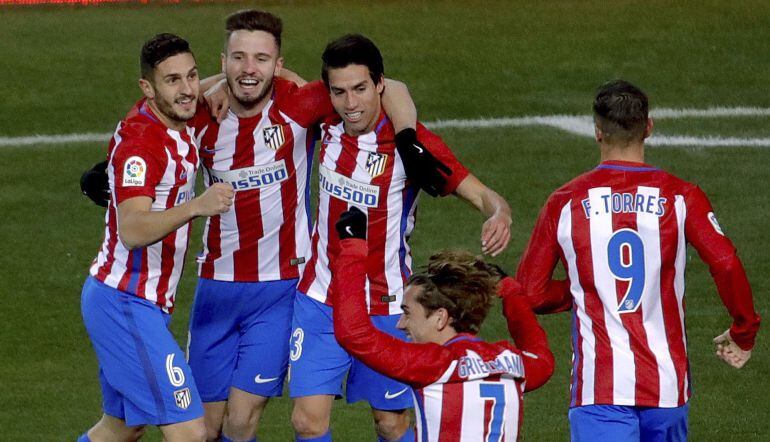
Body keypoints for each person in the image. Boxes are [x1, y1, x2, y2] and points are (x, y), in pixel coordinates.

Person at [289, 34, 513, 442]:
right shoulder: (325, 117)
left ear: (379, 85)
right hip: (321, 296)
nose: (350, 103)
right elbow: (270, 77)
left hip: (388, 304)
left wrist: (498, 213)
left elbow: (480, 192)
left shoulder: (411, 145)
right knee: (307, 420)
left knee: (391, 423)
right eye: (339, 92)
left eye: (360, 89)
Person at [515, 80, 761, 441]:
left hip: (599, 390)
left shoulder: (564, 202)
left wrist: (590, 287)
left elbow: (530, 293)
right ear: (649, 127)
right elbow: (725, 263)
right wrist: (744, 329)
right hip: (667, 388)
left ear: (598, 132)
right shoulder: (681, 196)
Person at [78, 34, 235, 442]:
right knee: (188, 429)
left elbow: (233, 80)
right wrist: (196, 206)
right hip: (124, 303)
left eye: (192, 76)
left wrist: (222, 81)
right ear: (148, 88)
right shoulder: (142, 145)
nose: (187, 90)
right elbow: (131, 230)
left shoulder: (178, 117)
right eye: (172, 81)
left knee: (120, 429)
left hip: (138, 303)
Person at [328, 207, 554, 441]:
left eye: (407, 313)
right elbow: (542, 358)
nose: (400, 324)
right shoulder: (512, 362)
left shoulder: (433, 364)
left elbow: (353, 334)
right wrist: (511, 291)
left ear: (440, 317)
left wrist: (352, 248)